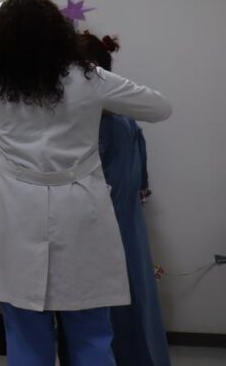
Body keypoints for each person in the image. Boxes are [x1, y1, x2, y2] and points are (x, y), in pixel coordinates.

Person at [0, 0, 171, 366]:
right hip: (79, 216)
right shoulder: (89, 78)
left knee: (26, 337)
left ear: (2, 39)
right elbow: (160, 107)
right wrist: (98, 90)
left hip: (15, 218)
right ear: (60, 35)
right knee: (91, 335)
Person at [55, 31, 170, 366]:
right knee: (136, 309)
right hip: (129, 237)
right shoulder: (128, 124)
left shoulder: (87, 129)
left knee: (90, 319)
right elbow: (141, 187)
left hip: (91, 239)